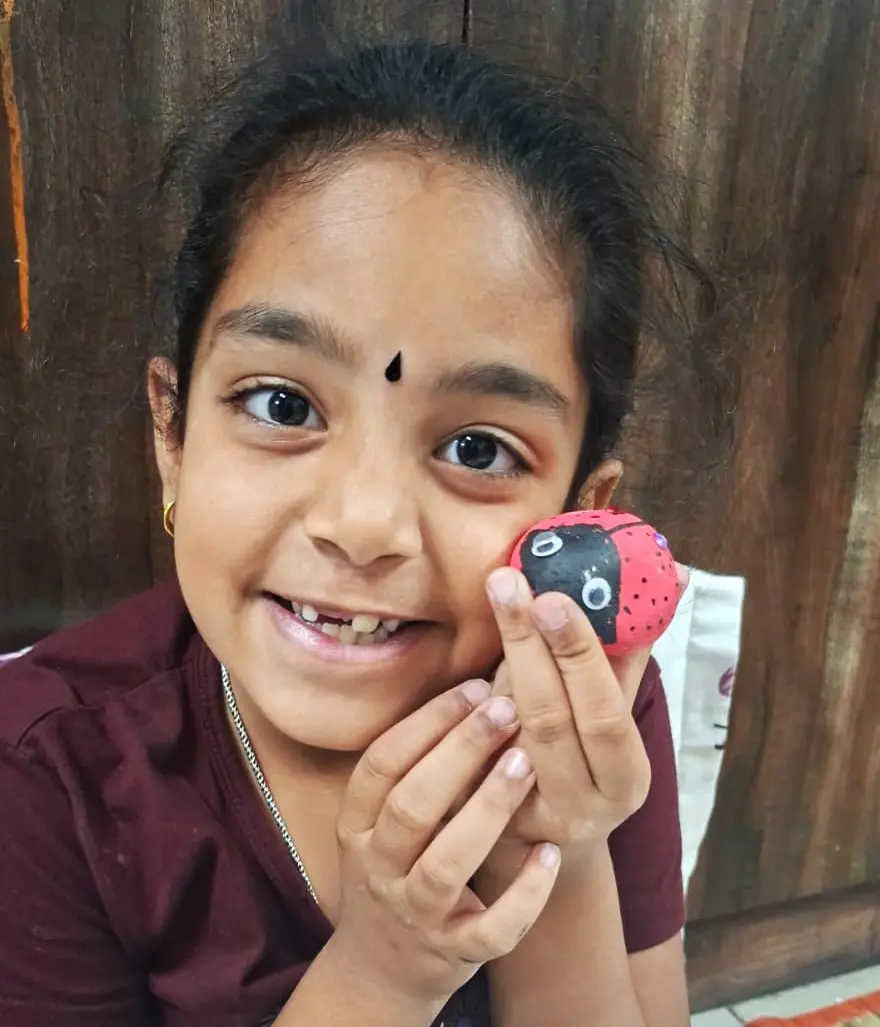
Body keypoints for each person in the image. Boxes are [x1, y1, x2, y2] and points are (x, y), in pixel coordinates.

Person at [0, 38, 711, 1027]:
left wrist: (554, 848)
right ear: (173, 434)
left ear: (576, 512)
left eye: (475, 446)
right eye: (284, 404)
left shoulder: (576, 711)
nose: (364, 524)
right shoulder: (42, 775)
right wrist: (387, 970)